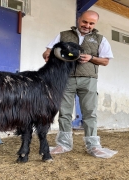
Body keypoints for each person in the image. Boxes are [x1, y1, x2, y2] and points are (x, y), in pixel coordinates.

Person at [42, 10, 117, 158]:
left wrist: (91, 58)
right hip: (65, 78)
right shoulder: (63, 35)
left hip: (88, 79)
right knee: (64, 112)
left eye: (91, 23)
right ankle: (63, 144)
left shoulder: (100, 39)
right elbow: (47, 51)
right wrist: (47, 55)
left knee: (90, 112)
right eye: (84, 22)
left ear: (95, 24)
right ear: (78, 20)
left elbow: (106, 61)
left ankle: (93, 146)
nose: (87, 25)